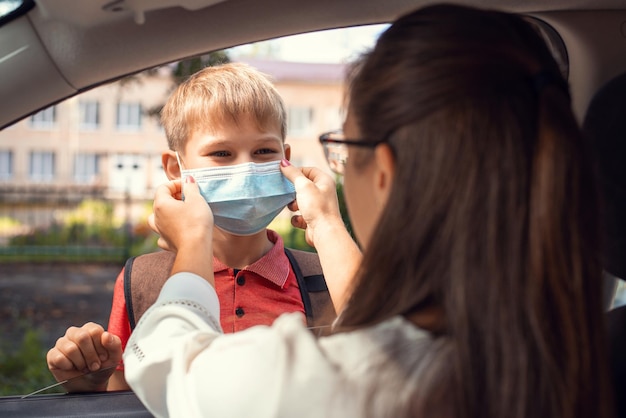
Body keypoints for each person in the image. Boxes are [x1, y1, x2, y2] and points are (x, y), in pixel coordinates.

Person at [123, 4, 613, 418]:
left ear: (383, 169)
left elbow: (167, 362)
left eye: (345, 147)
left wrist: (191, 244)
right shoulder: (576, 350)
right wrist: (328, 224)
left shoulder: (318, 381)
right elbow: (380, 324)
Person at [45, 62, 335, 393]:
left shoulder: (323, 278)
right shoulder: (143, 280)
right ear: (175, 167)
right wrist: (91, 379)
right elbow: (126, 394)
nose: (245, 168)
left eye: (263, 151)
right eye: (222, 153)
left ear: (285, 158)